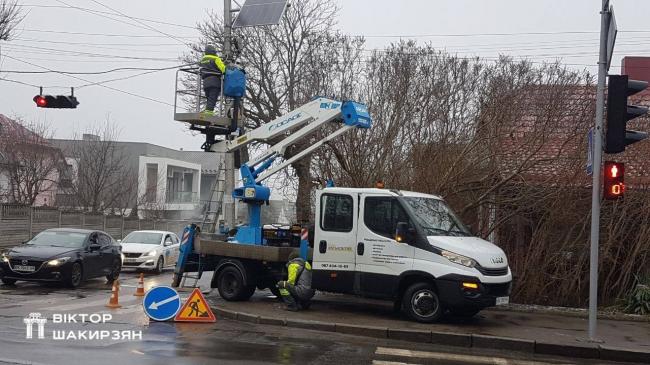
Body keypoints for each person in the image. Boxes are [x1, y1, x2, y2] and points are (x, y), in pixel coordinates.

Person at [199, 44, 226, 116]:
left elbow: (200, 69)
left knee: (208, 97)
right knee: (213, 97)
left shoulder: (202, 60)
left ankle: (207, 110)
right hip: (215, 81)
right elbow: (223, 69)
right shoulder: (216, 59)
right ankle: (209, 112)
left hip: (205, 82)